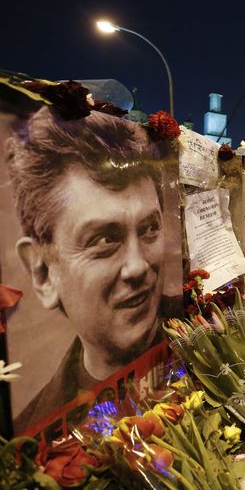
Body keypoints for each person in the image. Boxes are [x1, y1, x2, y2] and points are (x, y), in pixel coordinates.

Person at [6, 106, 174, 432]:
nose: (138, 266)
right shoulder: (35, 438)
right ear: (42, 272)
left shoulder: (201, 344)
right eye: (103, 239)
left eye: (150, 228)